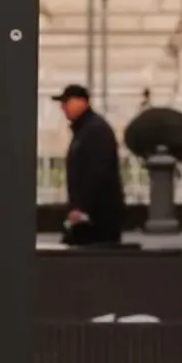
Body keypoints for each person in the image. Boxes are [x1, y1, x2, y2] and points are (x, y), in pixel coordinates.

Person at [57, 83, 125, 247]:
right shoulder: (84, 130)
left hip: (98, 217)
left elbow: (97, 173)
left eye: (67, 102)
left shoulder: (96, 130)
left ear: (82, 102)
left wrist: (81, 207)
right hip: (88, 215)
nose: (63, 107)